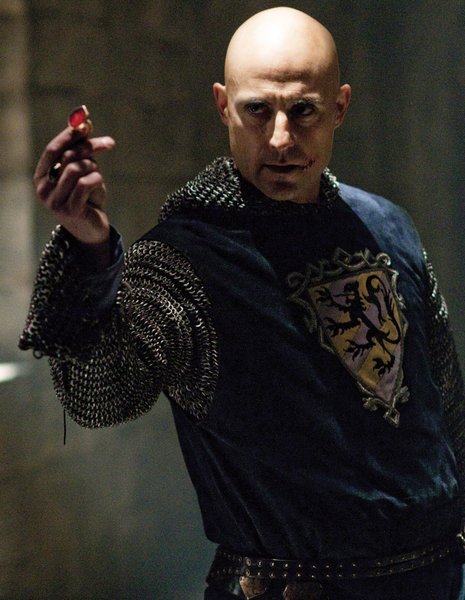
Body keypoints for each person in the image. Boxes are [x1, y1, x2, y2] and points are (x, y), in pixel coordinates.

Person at [19, 7, 465, 600]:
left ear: (339, 108)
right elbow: (102, 394)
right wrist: (89, 248)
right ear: (224, 105)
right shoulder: (184, 259)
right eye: (258, 110)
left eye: (303, 110)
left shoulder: (387, 226)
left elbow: (444, 407)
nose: (280, 138)